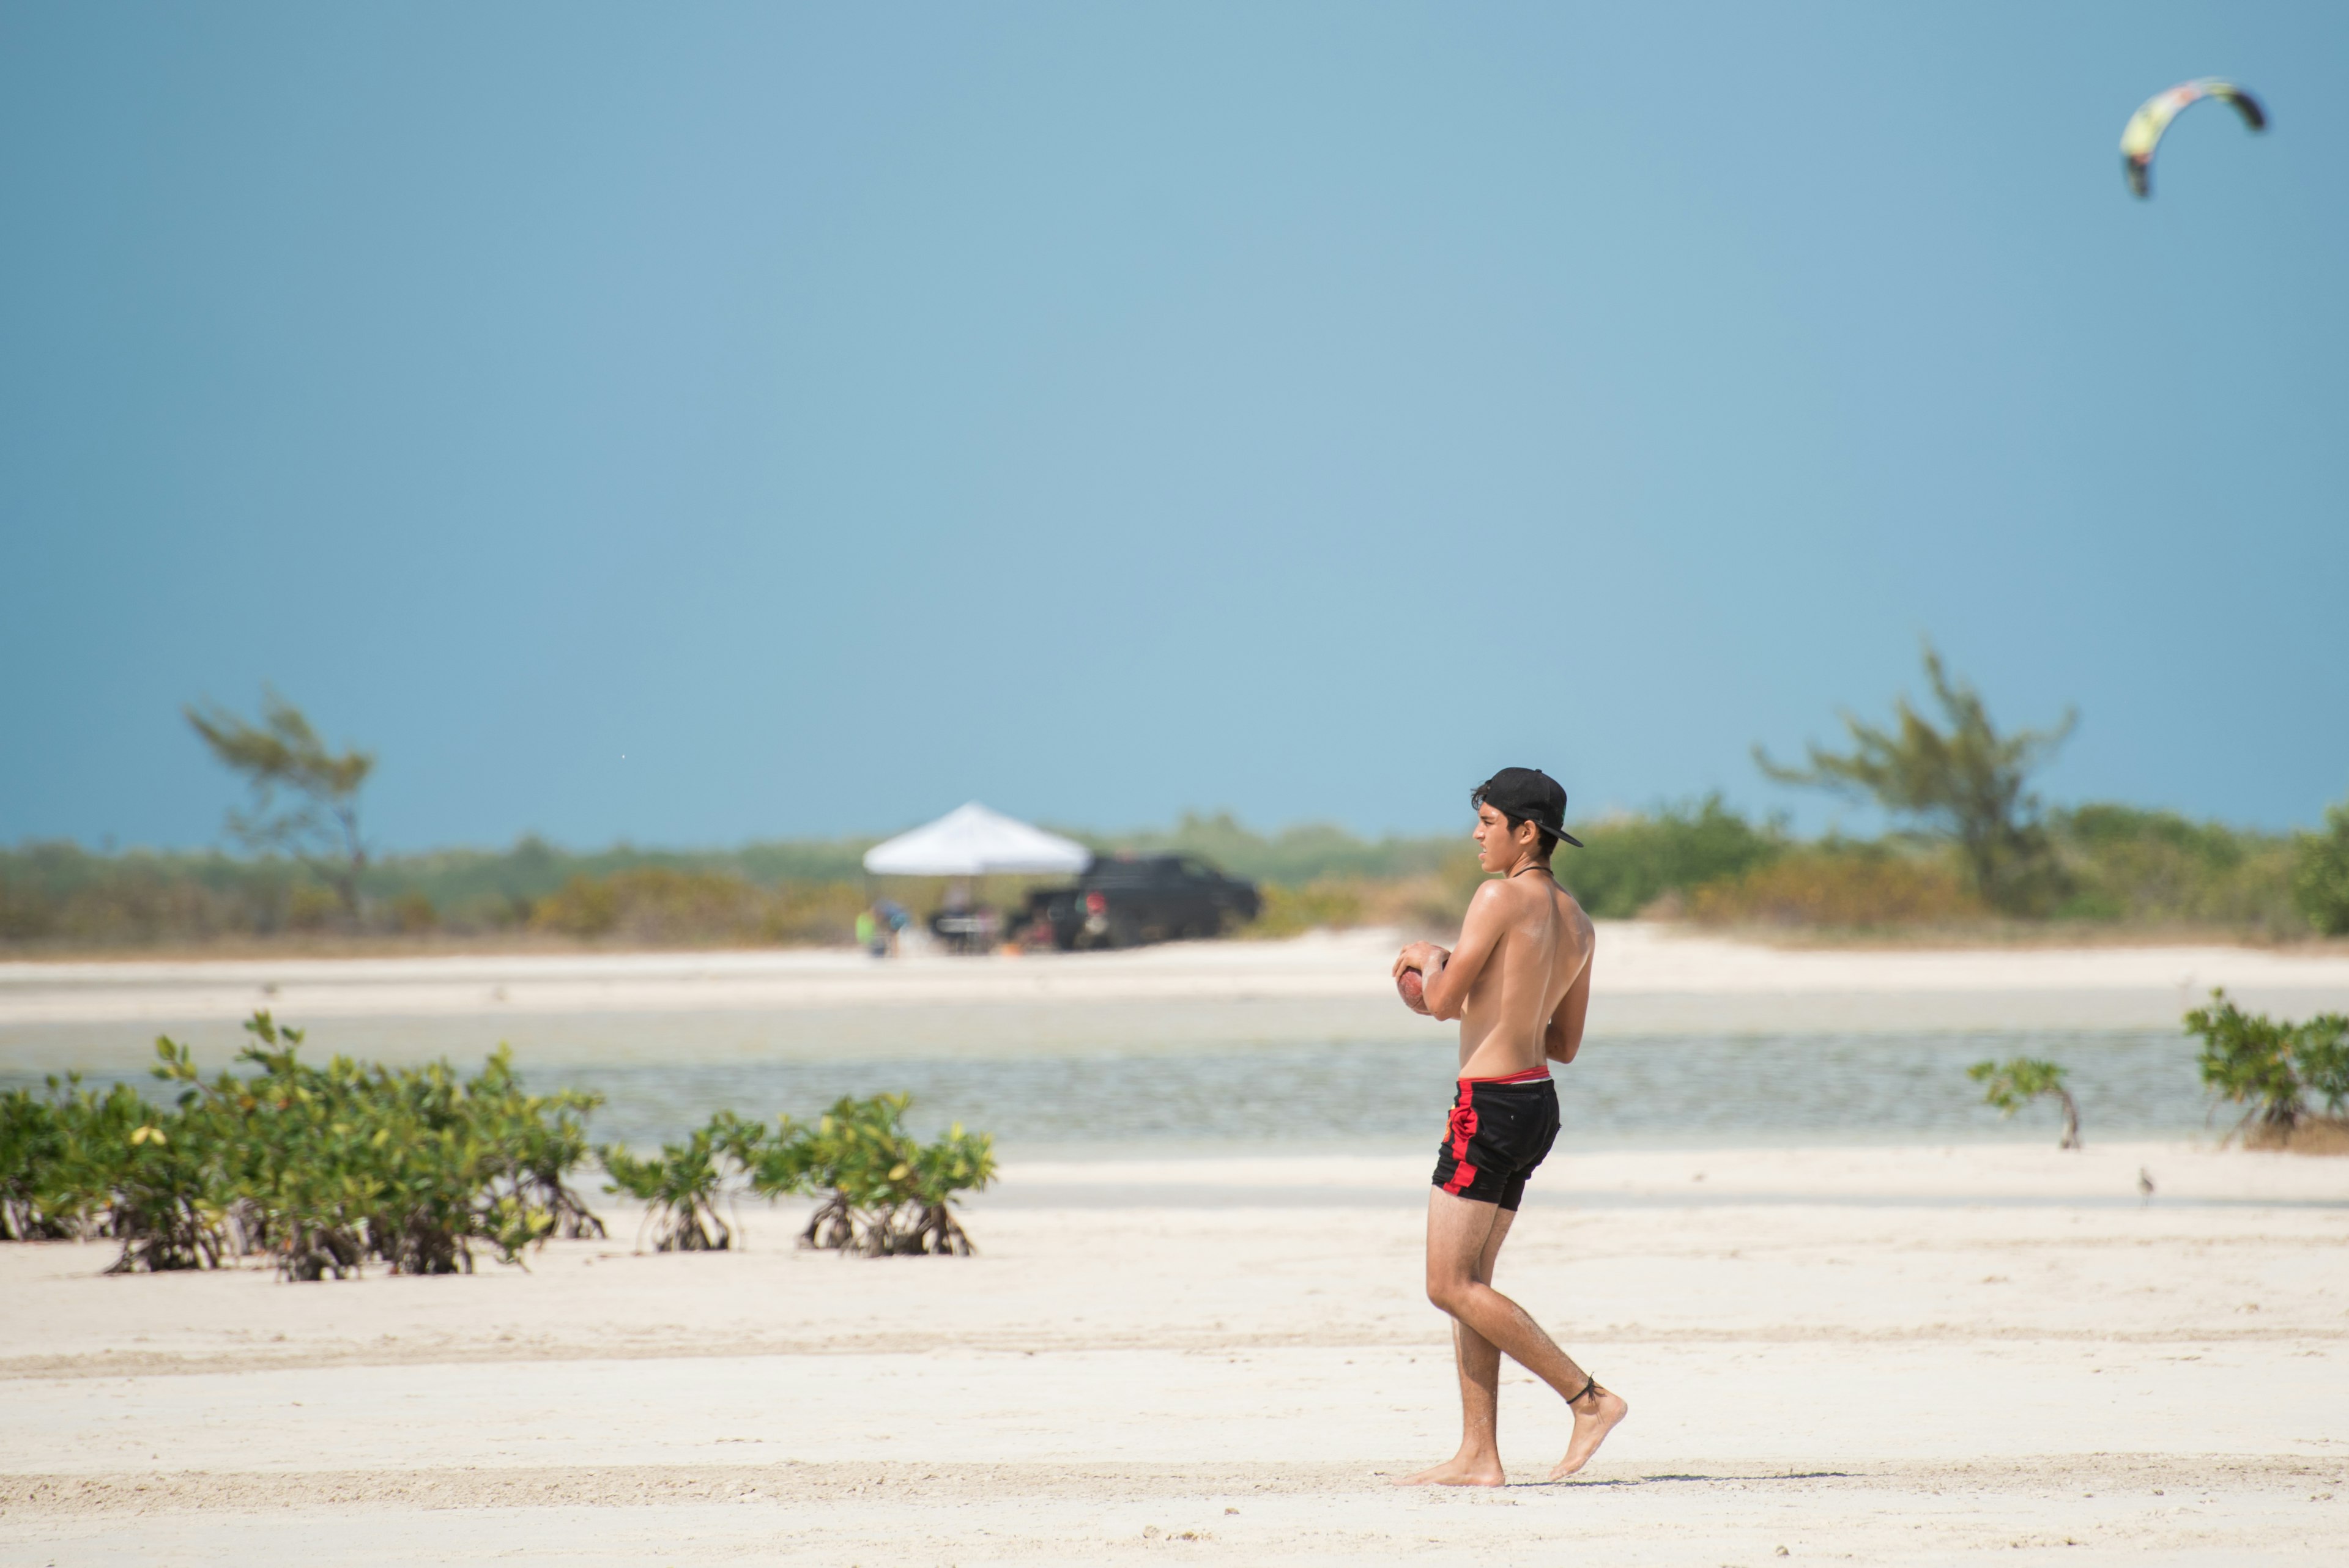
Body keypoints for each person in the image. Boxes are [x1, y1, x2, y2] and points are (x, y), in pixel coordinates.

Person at [1390, 766, 1626, 1487]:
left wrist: (1426, 960)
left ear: (1527, 832)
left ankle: (1589, 1399)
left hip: (1488, 1104)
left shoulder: (1496, 896)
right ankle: (1479, 1455)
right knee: (1475, 1283)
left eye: (1488, 821)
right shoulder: (1580, 921)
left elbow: (1438, 1003)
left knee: (1447, 1284)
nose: (1476, 833)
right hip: (1536, 1100)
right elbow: (1564, 1042)